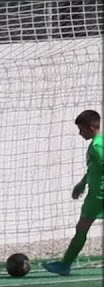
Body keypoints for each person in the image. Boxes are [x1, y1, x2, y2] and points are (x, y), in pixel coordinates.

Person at [43, 109, 102, 277]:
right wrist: (82, 183)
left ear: (91, 128)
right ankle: (65, 264)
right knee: (81, 228)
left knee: (81, 228)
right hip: (96, 193)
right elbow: (95, 168)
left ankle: (65, 265)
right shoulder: (100, 142)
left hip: (99, 196)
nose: (79, 133)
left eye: (81, 129)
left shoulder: (97, 146)